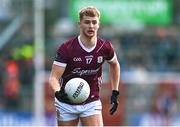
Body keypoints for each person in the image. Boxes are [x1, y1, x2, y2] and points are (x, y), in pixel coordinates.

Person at [49, 6, 120, 126]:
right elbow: (53, 78)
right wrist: (58, 92)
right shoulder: (67, 48)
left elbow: (115, 65)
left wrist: (115, 92)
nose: (91, 26)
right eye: (87, 22)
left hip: (91, 101)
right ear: (79, 24)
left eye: (94, 22)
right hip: (66, 102)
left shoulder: (105, 47)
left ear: (98, 25)